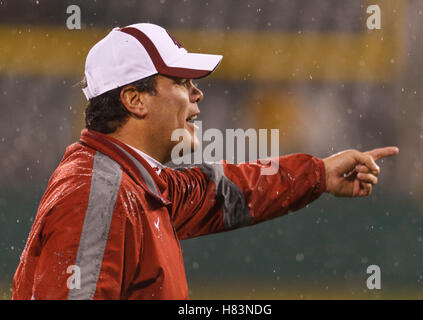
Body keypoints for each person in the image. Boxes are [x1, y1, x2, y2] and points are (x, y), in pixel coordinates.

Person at [12, 23, 399, 300]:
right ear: (135, 100)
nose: (197, 93)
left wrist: (318, 173)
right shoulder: (97, 194)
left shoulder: (131, 181)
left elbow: (224, 190)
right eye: (181, 82)